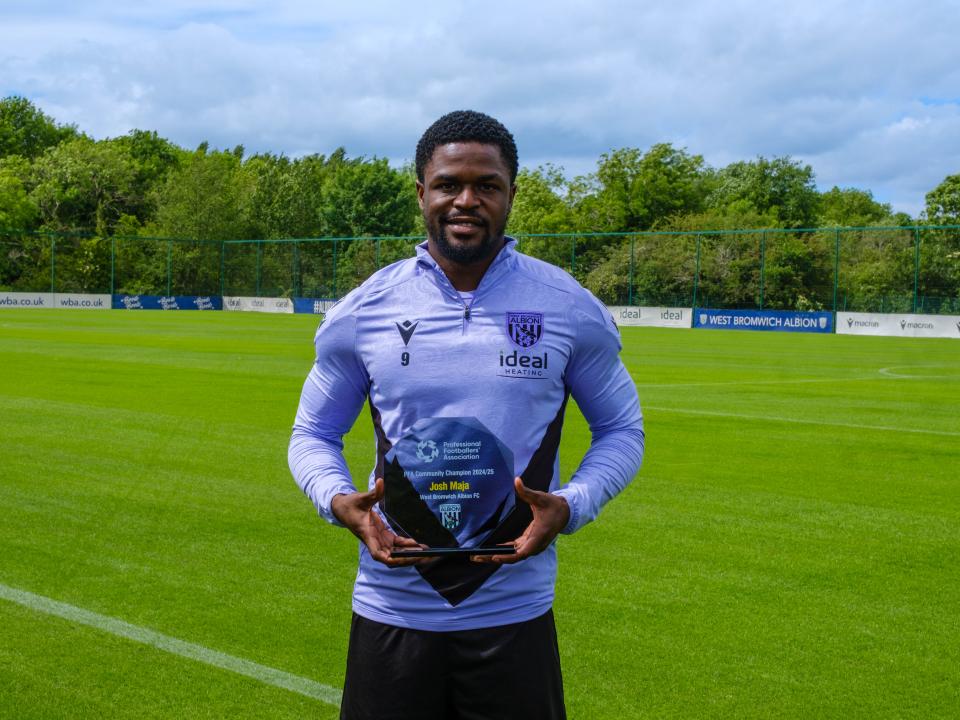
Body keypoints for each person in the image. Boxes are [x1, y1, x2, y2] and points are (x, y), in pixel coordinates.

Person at [289, 110, 644, 720]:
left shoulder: (567, 306)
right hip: (392, 609)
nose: (466, 200)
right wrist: (336, 499)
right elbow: (313, 433)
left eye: (487, 185)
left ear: (511, 194)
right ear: (421, 192)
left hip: (515, 614)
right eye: (449, 184)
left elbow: (622, 429)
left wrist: (572, 505)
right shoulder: (365, 309)